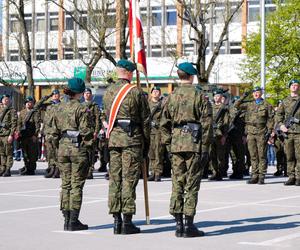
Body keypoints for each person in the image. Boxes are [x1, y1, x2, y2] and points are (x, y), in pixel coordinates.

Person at [160, 62, 212, 237]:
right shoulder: (200, 97)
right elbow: (207, 125)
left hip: (176, 145)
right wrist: (205, 148)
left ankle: (178, 225)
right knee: (191, 184)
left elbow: (163, 124)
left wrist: (169, 144)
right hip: (194, 143)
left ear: (179, 76)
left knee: (177, 183)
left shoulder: (170, 97)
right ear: (192, 76)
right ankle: (189, 225)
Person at [102, 59, 150, 234]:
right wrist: (147, 142)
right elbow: (145, 119)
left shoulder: (108, 92)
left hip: (114, 140)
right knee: (129, 180)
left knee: (115, 179)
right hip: (131, 140)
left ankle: (116, 220)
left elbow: (107, 116)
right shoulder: (136, 92)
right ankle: (127, 221)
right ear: (129, 73)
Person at [50, 77, 93, 231]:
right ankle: (73, 220)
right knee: (76, 185)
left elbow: (52, 132)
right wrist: (91, 142)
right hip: (77, 149)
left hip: (62, 148)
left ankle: (66, 219)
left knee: (66, 184)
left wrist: (57, 146)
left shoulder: (57, 107)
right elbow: (86, 132)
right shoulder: (81, 108)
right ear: (80, 92)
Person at [235, 86, 274, 184]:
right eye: (254, 92)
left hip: (261, 131)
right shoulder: (249, 104)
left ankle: (261, 176)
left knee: (262, 155)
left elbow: (270, 119)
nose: (256, 94)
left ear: (261, 93)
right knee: (253, 155)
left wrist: (269, 131)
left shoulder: (267, 105)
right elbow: (236, 105)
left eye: (258, 92)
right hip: (250, 132)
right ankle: (254, 175)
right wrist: (244, 95)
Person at [276, 79, 300, 186]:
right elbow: (278, 115)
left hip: (299, 132)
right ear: (289, 87)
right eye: (293, 85)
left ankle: (299, 177)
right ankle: (291, 176)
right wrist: (281, 125)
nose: (295, 87)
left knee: (299, 156)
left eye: (296, 85)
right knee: (289, 156)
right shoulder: (285, 101)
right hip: (288, 133)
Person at [17, 96, 41, 175]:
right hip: (23, 136)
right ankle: (27, 167)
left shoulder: (35, 112)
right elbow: (19, 124)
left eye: (30, 102)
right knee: (25, 154)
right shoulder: (22, 112)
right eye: (27, 103)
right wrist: (18, 132)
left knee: (32, 154)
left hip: (31, 136)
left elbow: (37, 124)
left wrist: (35, 135)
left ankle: (32, 169)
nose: (29, 104)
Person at [209, 89, 229, 181]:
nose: (217, 97)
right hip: (210, 133)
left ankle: (220, 173)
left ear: (221, 97)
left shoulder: (224, 108)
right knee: (212, 154)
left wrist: (224, 135)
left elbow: (226, 122)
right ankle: (214, 172)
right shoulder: (210, 107)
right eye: (215, 96)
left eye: (218, 96)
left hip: (219, 134)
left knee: (220, 155)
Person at [82, 87, 100, 179]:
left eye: (88, 93)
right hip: (83, 133)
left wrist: (96, 131)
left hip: (91, 132)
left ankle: (90, 170)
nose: (87, 95)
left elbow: (97, 119)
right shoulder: (80, 106)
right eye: (85, 93)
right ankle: (84, 170)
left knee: (91, 153)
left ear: (91, 95)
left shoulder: (94, 106)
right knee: (83, 152)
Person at [44, 89, 61, 178]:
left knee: (57, 151)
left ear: (59, 95)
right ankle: (51, 168)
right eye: (53, 94)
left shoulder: (62, 105)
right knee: (50, 152)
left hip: (56, 132)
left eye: (56, 94)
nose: (55, 96)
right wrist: (47, 96)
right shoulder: (48, 105)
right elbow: (37, 106)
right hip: (48, 131)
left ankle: (57, 169)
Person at [148, 86, 164, 182]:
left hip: (159, 131)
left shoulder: (162, 105)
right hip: (149, 131)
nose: (155, 93)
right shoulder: (147, 104)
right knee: (151, 153)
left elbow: (166, 118)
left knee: (158, 152)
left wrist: (157, 123)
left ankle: (158, 173)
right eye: (153, 91)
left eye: (157, 91)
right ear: (151, 93)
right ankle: (152, 172)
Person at [0, 95, 18, 177]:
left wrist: (11, 135)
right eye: (4, 99)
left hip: (7, 134)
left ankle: (8, 169)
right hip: (0, 134)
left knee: (9, 153)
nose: (6, 101)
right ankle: (2, 168)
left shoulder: (12, 111)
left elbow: (14, 124)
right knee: (2, 153)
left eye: (7, 99)